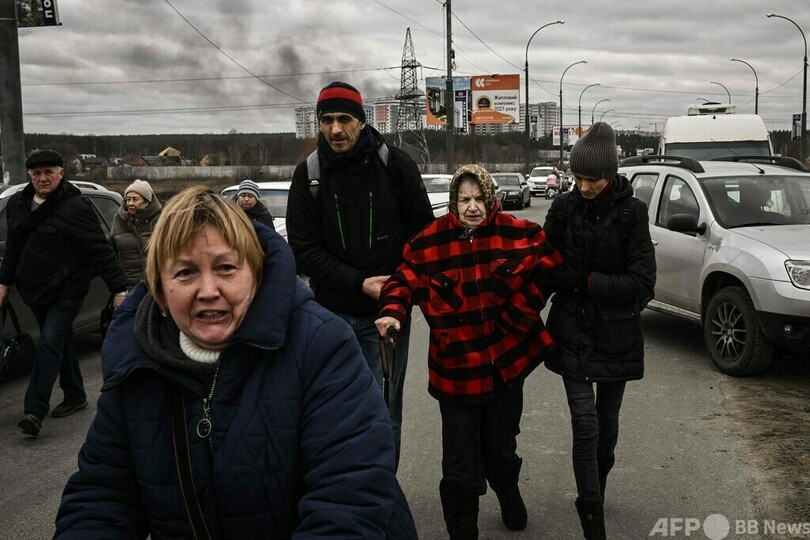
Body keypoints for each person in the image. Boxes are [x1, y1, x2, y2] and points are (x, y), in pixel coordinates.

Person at [54, 186, 410, 538]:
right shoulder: (135, 361)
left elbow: (348, 498)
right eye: (185, 273)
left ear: (255, 274)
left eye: (226, 268)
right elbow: (101, 496)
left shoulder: (321, 345)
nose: (208, 290)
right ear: (159, 289)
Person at [375, 164, 563, 539]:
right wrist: (392, 313)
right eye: (464, 199)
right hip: (456, 371)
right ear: (453, 202)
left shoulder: (518, 232)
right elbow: (401, 281)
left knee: (500, 448)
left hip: (504, 366)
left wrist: (518, 312)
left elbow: (550, 269)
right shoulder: (428, 243)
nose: (472, 207)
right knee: (459, 464)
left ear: (491, 199)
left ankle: (508, 490)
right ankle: (463, 530)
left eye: (479, 199)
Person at [287, 81, 434, 465]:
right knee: (328, 412)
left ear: (361, 121)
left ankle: (381, 501)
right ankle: (339, 495)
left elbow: (423, 240)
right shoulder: (309, 175)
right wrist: (359, 282)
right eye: (327, 120)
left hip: (385, 318)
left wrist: (397, 289)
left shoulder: (395, 165)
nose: (335, 129)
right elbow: (302, 251)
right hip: (328, 317)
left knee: (383, 414)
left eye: (344, 119)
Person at [542, 122, 656, 540]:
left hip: (617, 336)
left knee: (606, 428)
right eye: (578, 178)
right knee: (585, 425)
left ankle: (598, 490)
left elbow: (643, 285)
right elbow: (543, 268)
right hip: (570, 332)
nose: (584, 187)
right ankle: (592, 516)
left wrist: (583, 282)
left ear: (611, 174)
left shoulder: (632, 213)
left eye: (592, 179)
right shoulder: (563, 209)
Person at [0, 149, 128, 438]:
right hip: (35, 289)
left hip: (68, 289)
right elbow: (13, 250)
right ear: (29, 176)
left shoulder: (75, 207)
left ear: (60, 173)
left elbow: (99, 250)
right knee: (61, 339)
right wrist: (4, 282)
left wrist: (119, 288)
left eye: (48, 172)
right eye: (36, 173)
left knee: (49, 341)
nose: (42, 178)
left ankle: (34, 410)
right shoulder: (19, 206)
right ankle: (75, 395)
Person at [110, 179, 162, 290]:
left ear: (147, 202)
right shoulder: (119, 220)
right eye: (128, 199)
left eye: (135, 199)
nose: (130, 203)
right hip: (127, 286)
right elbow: (111, 254)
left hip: (154, 286)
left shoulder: (160, 220)